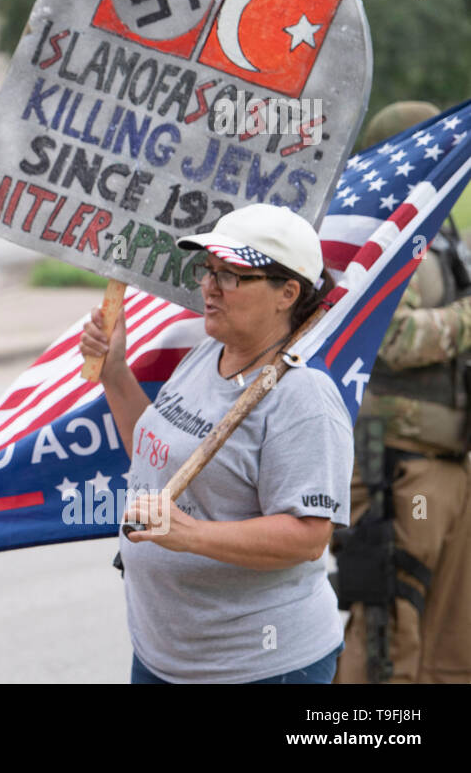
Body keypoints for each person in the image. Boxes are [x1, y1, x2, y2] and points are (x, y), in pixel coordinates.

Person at [80, 203, 352, 683]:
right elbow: (154, 453)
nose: (209, 286)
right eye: (209, 270)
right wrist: (114, 372)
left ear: (287, 293)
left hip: (258, 666)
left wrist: (191, 536)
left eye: (232, 276)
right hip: (162, 656)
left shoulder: (303, 396)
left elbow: (309, 536)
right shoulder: (209, 354)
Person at [334, 102, 471, 684]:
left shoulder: (443, 236)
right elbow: (390, 339)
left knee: (450, 638)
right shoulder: (386, 242)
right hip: (393, 461)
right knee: (389, 618)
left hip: (447, 463)